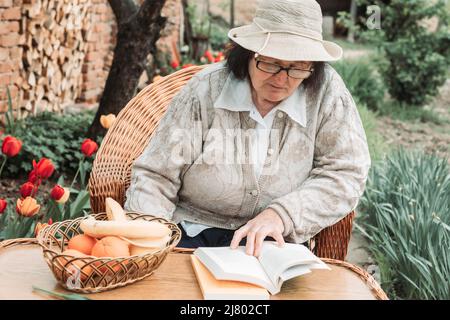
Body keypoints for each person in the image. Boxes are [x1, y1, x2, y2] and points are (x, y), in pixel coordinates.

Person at [124, 0, 371, 257]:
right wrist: (149, 244)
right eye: (271, 63)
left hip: (275, 242)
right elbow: (156, 175)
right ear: (247, 54)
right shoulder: (205, 90)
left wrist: (283, 214)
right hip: (193, 233)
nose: (281, 78)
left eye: (297, 67)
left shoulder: (327, 93)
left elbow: (346, 171)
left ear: (312, 66)